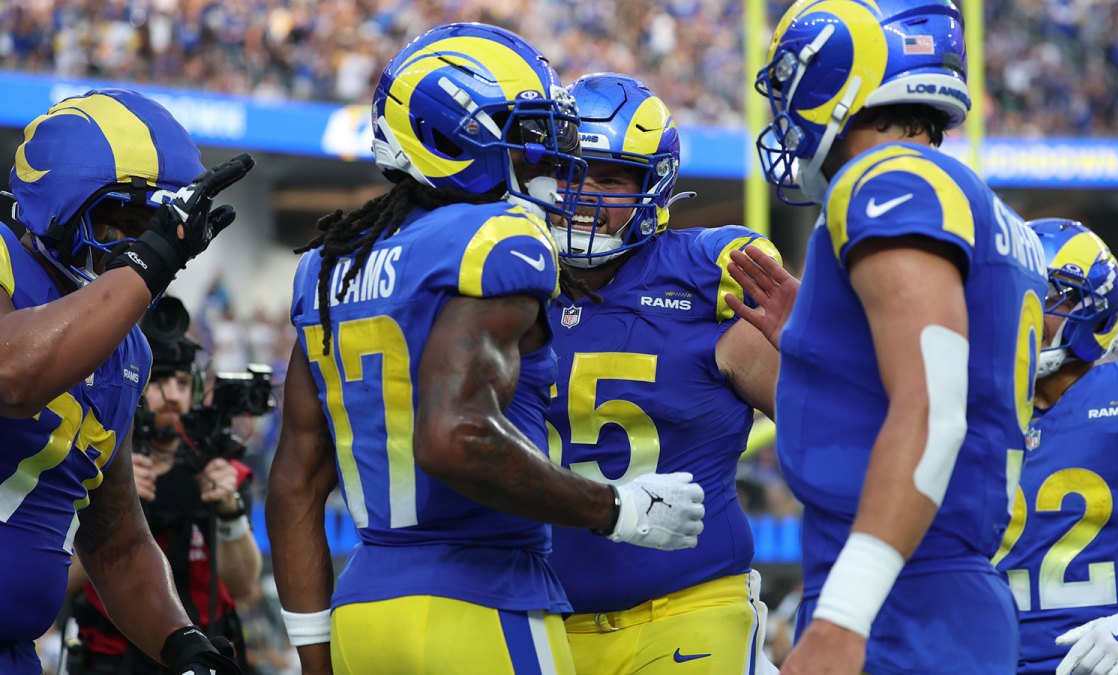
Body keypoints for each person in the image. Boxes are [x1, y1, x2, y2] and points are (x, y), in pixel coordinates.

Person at [265, 23, 706, 675]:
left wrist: (313, 648)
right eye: (526, 138)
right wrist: (616, 508)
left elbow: (296, 480)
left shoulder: (328, 265)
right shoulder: (500, 239)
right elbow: (452, 435)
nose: (550, 162)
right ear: (454, 135)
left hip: (365, 610)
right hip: (482, 601)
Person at [731, 0, 1050, 672]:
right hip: (926, 583)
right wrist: (824, 348)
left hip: (901, 594)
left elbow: (934, 410)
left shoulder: (888, 178)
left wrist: (844, 616)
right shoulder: (975, 202)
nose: (785, 111)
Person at [0, 88, 252, 674]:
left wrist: (183, 642)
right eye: (126, 223)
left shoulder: (125, 350)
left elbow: (115, 538)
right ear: (60, 208)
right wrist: (150, 259)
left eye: (158, 229)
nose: (144, 246)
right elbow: (13, 376)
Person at [544, 72, 782, 675]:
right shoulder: (507, 279)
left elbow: (825, 422)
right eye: (569, 170)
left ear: (653, 188)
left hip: (687, 607)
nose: (583, 193)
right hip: (542, 617)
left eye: (610, 177)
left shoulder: (707, 281)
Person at [993, 219, 1118, 675]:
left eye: (1039, 296)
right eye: (1006, 292)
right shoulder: (971, 406)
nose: (1017, 311)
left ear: (1092, 307)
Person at [67, 296, 264, 674]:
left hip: (204, 655)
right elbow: (63, 582)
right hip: (113, 659)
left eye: (182, 383)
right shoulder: (93, 458)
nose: (171, 395)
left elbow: (242, 584)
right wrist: (114, 507)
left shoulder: (219, 467)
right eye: (158, 381)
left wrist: (229, 511)